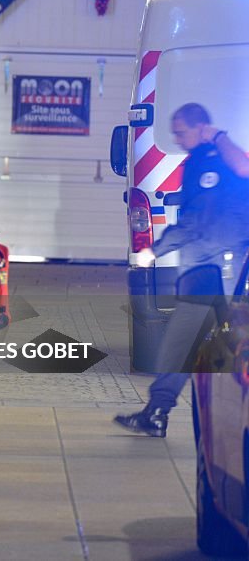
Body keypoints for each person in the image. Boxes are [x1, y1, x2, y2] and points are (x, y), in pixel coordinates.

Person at [115, 103, 249, 437]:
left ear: (200, 126)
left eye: (181, 131)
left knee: (183, 342)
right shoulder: (207, 159)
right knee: (193, 344)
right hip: (219, 268)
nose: (177, 137)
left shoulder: (209, 160)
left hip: (215, 271)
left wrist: (153, 252)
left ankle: (157, 413)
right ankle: (156, 412)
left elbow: (195, 222)